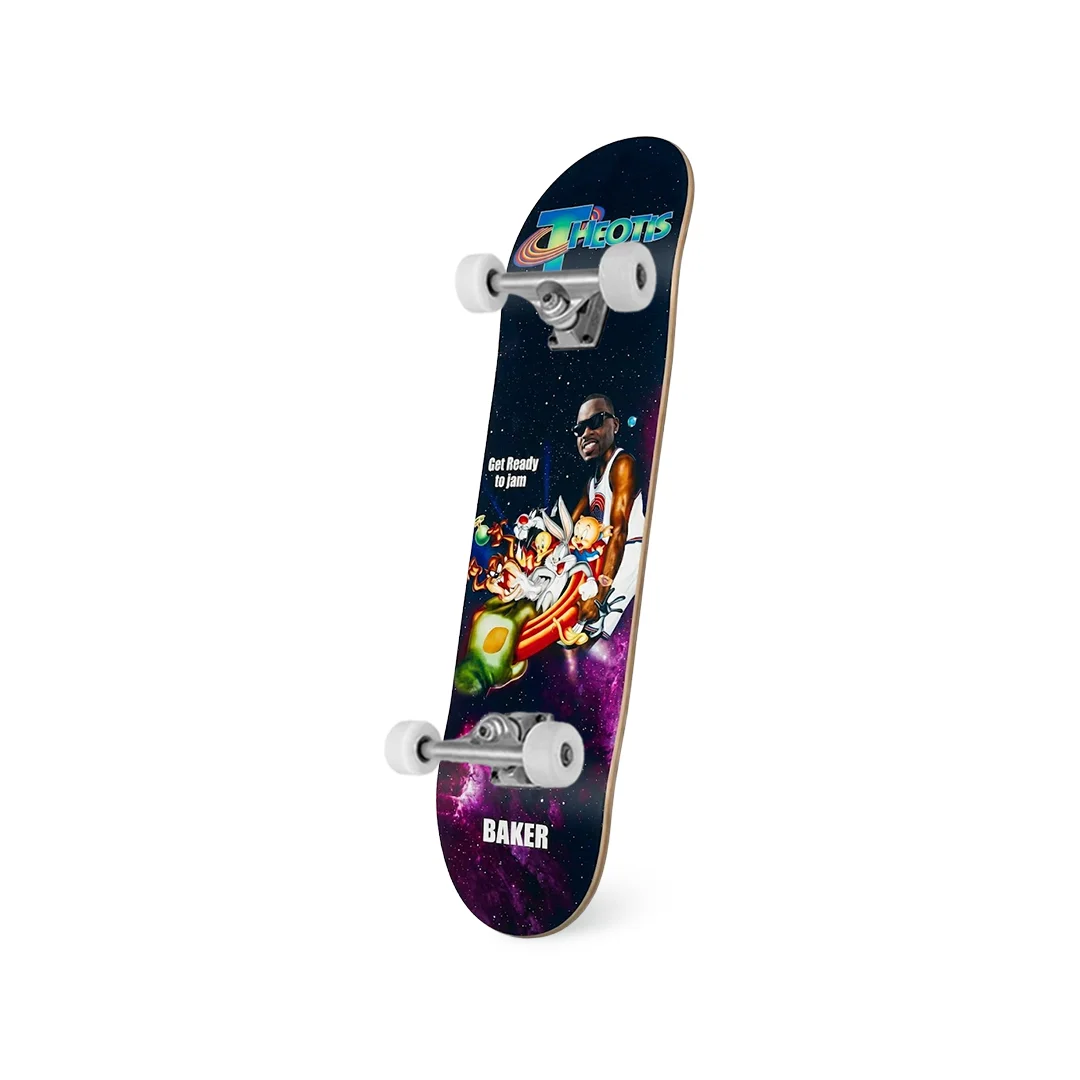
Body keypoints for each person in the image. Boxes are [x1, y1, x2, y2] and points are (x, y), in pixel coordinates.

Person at [569, 394, 645, 637]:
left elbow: (619, 532)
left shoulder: (622, 464)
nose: (586, 433)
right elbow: (568, 529)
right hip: (609, 557)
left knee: (588, 639)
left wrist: (599, 597)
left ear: (615, 425)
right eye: (579, 429)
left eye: (595, 422)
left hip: (628, 553)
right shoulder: (591, 481)